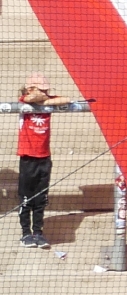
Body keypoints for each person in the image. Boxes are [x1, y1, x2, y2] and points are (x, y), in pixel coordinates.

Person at [14, 76, 64, 249]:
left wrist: (46, 100)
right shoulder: (25, 102)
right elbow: (30, 98)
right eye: (41, 89)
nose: (45, 92)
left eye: (46, 90)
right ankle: (26, 233)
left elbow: (66, 99)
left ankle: (38, 232)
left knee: (41, 198)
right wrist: (44, 99)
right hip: (28, 158)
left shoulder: (47, 102)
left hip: (44, 158)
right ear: (30, 89)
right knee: (26, 198)